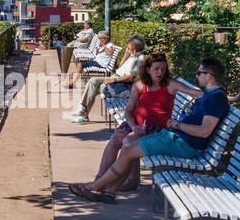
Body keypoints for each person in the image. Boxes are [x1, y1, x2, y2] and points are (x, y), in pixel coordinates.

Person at [70, 58, 229, 202]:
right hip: (174, 136)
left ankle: (95, 186)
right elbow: (203, 97)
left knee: (128, 148)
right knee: (126, 145)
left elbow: (204, 131)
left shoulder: (215, 98)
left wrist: (176, 124)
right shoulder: (212, 95)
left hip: (181, 142)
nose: (196, 76)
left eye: (199, 73)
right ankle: (108, 191)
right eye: (157, 69)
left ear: (209, 76)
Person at [85, 52, 201, 194]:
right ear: (148, 69)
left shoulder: (170, 84)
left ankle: (127, 181)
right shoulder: (140, 85)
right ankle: (99, 180)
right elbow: (128, 111)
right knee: (115, 139)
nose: (160, 72)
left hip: (157, 128)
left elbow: (195, 92)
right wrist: (133, 126)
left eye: (163, 69)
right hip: (136, 123)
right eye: (156, 69)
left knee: (128, 141)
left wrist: (223, 96)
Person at [65, 35, 145, 123]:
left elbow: (131, 77)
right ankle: (83, 109)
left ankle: (84, 114)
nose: (128, 44)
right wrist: (126, 54)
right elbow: (120, 67)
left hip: (122, 84)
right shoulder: (132, 55)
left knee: (94, 88)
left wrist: (113, 80)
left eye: (130, 43)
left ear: (135, 45)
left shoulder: (140, 59)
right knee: (92, 81)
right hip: (116, 78)